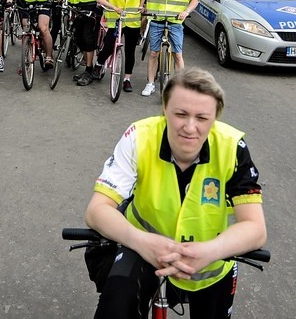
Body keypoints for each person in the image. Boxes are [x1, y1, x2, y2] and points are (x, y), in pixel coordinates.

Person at [84, 67, 266, 318]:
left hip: (210, 257)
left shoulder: (233, 147)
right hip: (142, 246)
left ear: (216, 118)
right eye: (180, 114)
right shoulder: (139, 136)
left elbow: (256, 228)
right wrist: (141, 241)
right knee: (114, 308)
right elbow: (97, 210)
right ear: (165, 110)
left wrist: (211, 251)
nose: (190, 128)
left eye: (202, 118)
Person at [139, 0, 199, 97]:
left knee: (178, 55)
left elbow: (194, 0)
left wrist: (186, 12)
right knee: (153, 53)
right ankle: (150, 83)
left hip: (175, 22)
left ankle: (181, 85)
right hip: (157, 19)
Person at [95, 0, 143, 92]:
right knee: (108, 46)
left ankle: (127, 79)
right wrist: (114, 7)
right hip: (116, 22)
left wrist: (142, 5)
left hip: (132, 22)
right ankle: (99, 63)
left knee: (130, 51)